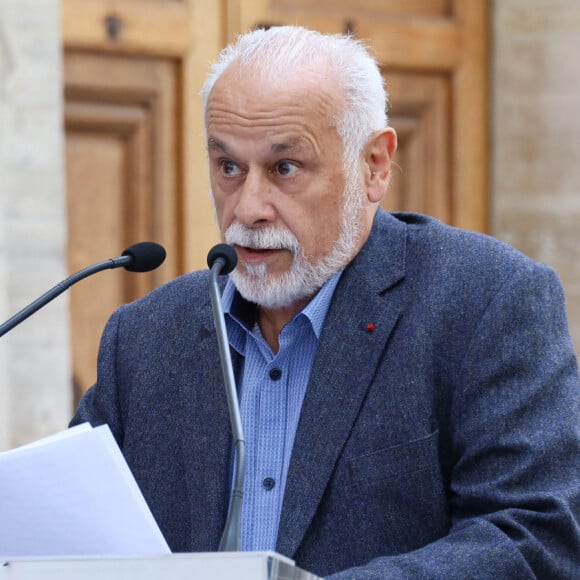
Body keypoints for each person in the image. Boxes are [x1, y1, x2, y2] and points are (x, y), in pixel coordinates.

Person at [71, 26, 580, 578]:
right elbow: (71, 530)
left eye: (284, 168)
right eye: (228, 168)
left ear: (375, 165)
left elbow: (535, 535)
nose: (249, 207)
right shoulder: (145, 338)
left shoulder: (485, 302)